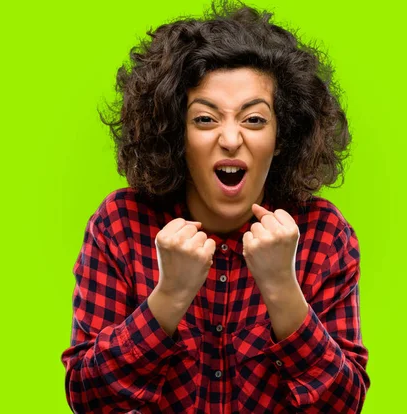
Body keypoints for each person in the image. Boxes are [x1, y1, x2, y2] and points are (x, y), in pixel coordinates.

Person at [60, 0, 370, 412]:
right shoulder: (120, 225)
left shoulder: (324, 234)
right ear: (176, 134)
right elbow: (88, 397)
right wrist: (168, 296)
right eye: (205, 119)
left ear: (282, 138)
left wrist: (281, 287)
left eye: (254, 120)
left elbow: (343, 404)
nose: (229, 138)